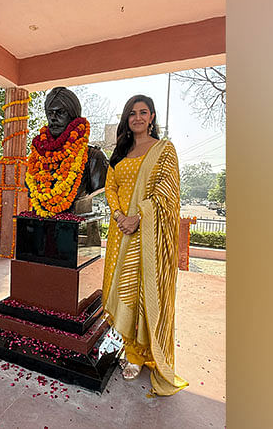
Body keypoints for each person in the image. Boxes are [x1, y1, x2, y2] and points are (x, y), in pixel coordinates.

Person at [102, 94, 188, 396]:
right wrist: (119, 216)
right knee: (121, 288)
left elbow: (167, 195)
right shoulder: (122, 151)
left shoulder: (164, 150)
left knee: (140, 289)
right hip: (119, 231)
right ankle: (128, 346)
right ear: (127, 119)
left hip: (145, 234)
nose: (137, 118)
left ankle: (139, 355)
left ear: (151, 117)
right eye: (132, 114)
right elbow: (110, 186)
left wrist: (138, 218)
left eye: (143, 112)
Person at [43, 87, 109, 203]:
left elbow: (99, 186)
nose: (53, 118)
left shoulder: (93, 157)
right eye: (50, 113)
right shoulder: (39, 158)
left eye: (60, 112)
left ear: (74, 116)